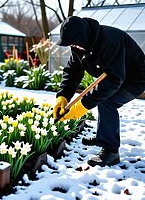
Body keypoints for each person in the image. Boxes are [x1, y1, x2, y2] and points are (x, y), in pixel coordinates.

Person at [52, 16, 145, 167]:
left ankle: (111, 151)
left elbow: (114, 80)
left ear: (83, 38)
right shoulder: (78, 46)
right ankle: (104, 135)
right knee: (104, 98)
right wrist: (62, 97)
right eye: (71, 45)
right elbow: (73, 71)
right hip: (118, 76)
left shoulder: (110, 40)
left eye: (74, 44)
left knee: (107, 101)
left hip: (136, 78)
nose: (73, 48)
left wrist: (82, 106)